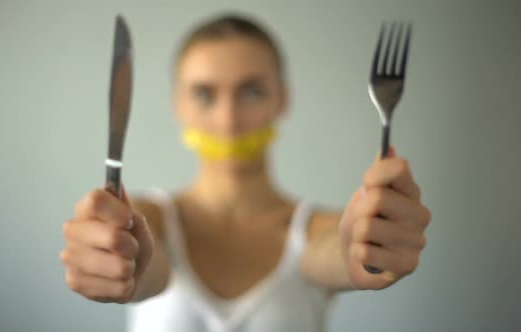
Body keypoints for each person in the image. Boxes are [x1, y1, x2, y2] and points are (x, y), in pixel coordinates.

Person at [60, 13, 431, 332]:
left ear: (282, 99)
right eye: (205, 94)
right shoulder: (146, 219)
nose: (228, 119)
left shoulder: (322, 230)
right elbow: (147, 265)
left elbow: (341, 251)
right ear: (178, 105)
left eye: (251, 92)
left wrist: (367, 252)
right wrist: (119, 262)